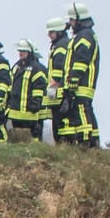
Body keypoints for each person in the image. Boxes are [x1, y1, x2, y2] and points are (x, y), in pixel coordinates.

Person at [63, 4, 102, 147]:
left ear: (79, 19)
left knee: (81, 110)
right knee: (86, 110)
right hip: (83, 82)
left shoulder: (84, 36)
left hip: (82, 83)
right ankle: (93, 140)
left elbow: (81, 60)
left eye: (72, 20)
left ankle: (85, 141)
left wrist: (73, 79)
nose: (70, 23)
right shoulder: (84, 34)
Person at [6, 39, 49, 142]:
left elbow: (39, 86)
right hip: (15, 112)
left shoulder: (37, 68)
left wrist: (35, 102)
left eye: (23, 51)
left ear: (30, 52)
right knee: (16, 139)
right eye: (19, 51)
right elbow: (10, 85)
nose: (20, 53)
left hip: (30, 113)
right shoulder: (16, 67)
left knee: (33, 139)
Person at [44, 16, 74, 145]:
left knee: (60, 121)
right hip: (59, 90)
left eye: (51, 32)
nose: (49, 35)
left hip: (59, 90)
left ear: (59, 31)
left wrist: (54, 84)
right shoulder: (59, 44)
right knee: (57, 121)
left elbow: (59, 67)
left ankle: (63, 145)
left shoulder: (61, 45)